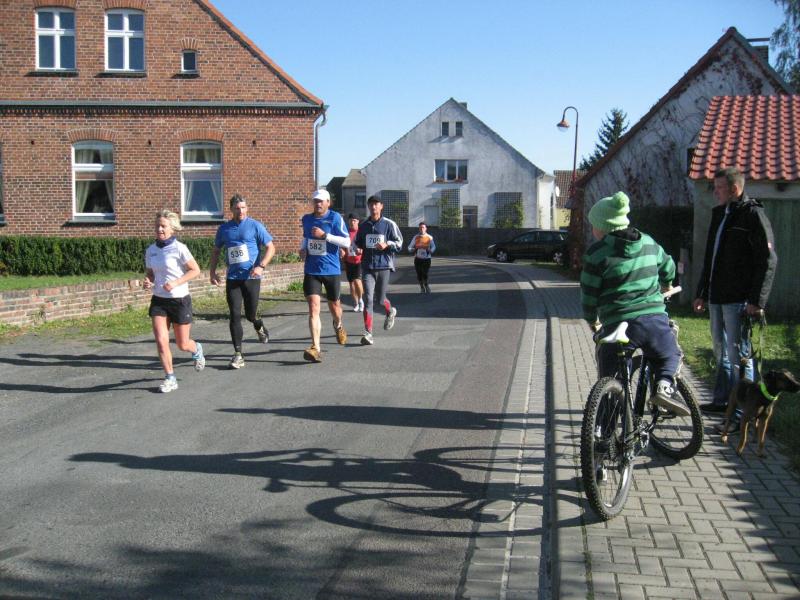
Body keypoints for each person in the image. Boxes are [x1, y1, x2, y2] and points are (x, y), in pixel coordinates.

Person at [580, 191, 687, 415]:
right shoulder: (648, 242)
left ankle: (604, 429)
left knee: (611, 375)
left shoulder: (596, 253)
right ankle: (664, 387)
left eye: (594, 225)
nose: (592, 230)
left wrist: (592, 320)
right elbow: (668, 266)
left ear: (603, 227)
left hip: (617, 324)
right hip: (653, 320)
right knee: (670, 354)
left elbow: (589, 294)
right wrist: (667, 284)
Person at [693, 167, 777, 415]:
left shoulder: (753, 215)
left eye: (719, 188)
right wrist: (702, 292)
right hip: (716, 297)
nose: (715, 192)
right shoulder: (720, 214)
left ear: (734, 189)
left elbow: (768, 260)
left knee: (739, 356)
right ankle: (722, 401)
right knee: (720, 352)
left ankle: (743, 413)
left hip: (739, 299)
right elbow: (711, 258)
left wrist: (757, 300)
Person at [209, 194, 275, 369]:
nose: (241, 211)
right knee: (234, 314)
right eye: (237, 208)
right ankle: (238, 354)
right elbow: (216, 251)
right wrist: (212, 272)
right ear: (231, 209)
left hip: (251, 277)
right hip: (233, 279)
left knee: (251, 315)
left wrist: (261, 266)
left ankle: (259, 326)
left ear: (247, 208)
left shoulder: (255, 226)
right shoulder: (224, 229)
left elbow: (270, 247)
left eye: (243, 207)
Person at [143, 210, 205, 393]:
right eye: (157, 226)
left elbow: (195, 270)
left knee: (182, 344)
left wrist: (176, 282)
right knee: (161, 341)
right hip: (159, 301)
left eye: (163, 226)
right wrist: (148, 281)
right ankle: (170, 378)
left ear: (172, 228)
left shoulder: (180, 248)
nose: (159, 229)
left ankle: (196, 349)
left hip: (179, 300)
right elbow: (151, 274)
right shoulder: (151, 250)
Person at [299, 189, 350, 362]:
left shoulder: (335, 218)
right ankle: (315, 347)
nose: (318, 204)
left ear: (328, 202)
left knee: (335, 307)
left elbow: (347, 241)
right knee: (313, 307)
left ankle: (338, 324)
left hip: (331, 269)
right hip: (311, 269)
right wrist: (303, 249)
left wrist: (325, 235)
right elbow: (306, 238)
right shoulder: (307, 219)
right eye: (315, 201)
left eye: (321, 201)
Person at [355, 195, 403, 345]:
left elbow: (400, 243)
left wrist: (387, 244)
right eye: (371, 204)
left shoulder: (389, 224)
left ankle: (390, 311)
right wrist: (357, 248)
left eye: (376, 204)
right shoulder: (364, 225)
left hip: (383, 266)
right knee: (368, 299)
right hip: (367, 267)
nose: (373, 207)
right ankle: (368, 333)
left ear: (381, 206)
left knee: (381, 300)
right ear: (368, 207)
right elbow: (357, 242)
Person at [342, 213, 365, 311]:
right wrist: (342, 251)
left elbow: (366, 245)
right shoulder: (345, 233)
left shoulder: (361, 232)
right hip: (348, 261)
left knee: (357, 281)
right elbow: (342, 245)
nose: (352, 222)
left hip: (359, 261)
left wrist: (362, 250)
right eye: (351, 220)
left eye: (354, 220)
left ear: (358, 221)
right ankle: (356, 303)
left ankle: (361, 300)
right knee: (351, 283)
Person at [407, 221, 436, 293]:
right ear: (419, 229)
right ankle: (422, 287)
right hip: (418, 259)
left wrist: (431, 250)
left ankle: (426, 285)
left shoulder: (429, 237)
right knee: (419, 274)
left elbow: (434, 246)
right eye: (420, 228)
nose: (421, 229)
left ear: (426, 228)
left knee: (425, 273)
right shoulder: (416, 237)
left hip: (427, 259)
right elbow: (409, 247)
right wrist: (413, 249)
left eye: (423, 227)